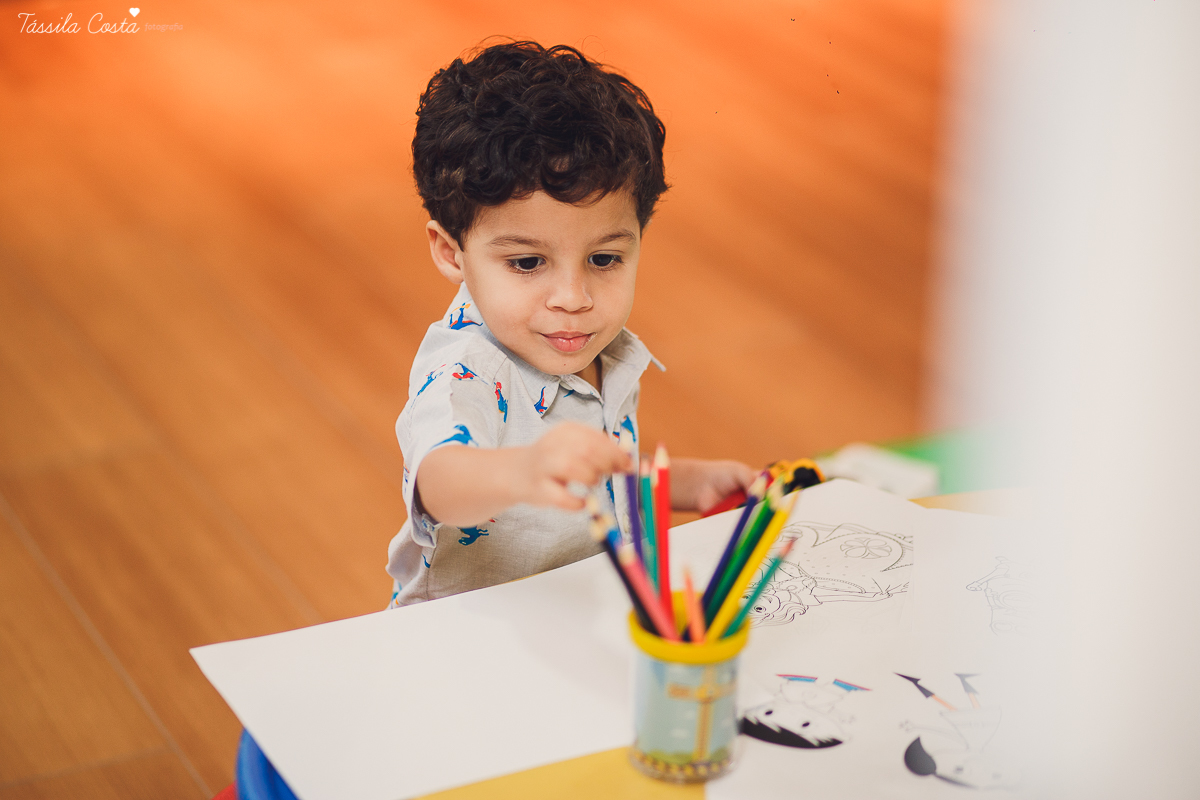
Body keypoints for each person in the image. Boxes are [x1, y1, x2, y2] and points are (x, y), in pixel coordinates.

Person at [387, 40, 754, 607]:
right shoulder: (467, 369)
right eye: (526, 263)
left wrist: (684, 483)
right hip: (469, 640)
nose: (573, 298)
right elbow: (440, 481)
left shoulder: (599, 350)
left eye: (604, 259)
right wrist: (524, 470)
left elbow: (595, 478)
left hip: (575, 619)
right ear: (450, 252)